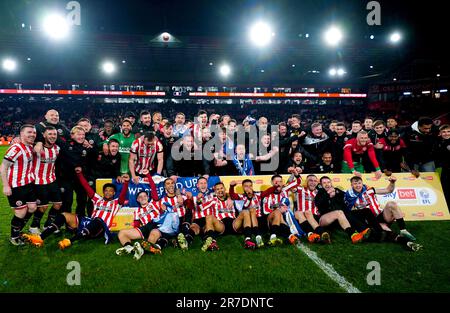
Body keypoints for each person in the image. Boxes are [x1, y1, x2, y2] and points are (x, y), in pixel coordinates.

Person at [24, 167, 129, 249]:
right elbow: (86, 187)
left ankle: (70, 241)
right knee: (64, 215)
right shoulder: (98, 199)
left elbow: (123, 195)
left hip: (100, 229)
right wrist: (79, 174)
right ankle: (40, 238)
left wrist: (126, 183)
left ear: (114, 193)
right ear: (103, 192)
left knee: (98, 220)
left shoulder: (116, 203)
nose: (108, 192)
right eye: (106, 190)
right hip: (88, 223)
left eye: (110, 191)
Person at [344, 176, 422, 251]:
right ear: (351, 185)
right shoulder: (350, 196)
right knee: (386, 231)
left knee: (391, 204)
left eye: (359, 183)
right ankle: (406, 242)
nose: (358, 185)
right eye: (355, 183)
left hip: (381, 216)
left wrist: (392, 182)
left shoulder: (370, 190)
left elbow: (389, 190)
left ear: (362, 183)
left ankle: (403, 230)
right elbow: (352, 214)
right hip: (371, 222)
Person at [1, 124, 38, 245]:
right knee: (21, 213)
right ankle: (14, 237)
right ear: (21, 134)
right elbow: (3, 167)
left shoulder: (29, 146)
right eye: (29, 132)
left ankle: (19, 230)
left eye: (33, 132)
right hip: (16, 186)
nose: (32, 134)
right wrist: (5, 185)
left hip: (28, 184)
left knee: (32, 208)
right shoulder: (15, 148)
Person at [115, 174, 160, 259]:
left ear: (148, 197)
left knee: (151, 238)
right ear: (137, 200)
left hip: (156, 226)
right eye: (140, 197)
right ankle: (129, 248)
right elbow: (136, 224)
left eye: (144, 196)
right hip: (145, 229)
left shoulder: (154, 203)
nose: (143, 198)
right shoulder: (137, 211)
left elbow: (153, 187)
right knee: (122, 233)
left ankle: (142, 249)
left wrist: (148, 175)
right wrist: (135, 231)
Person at [314, 176, 370, 244]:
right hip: (325, 219)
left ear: (331, 183)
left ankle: (365, 230)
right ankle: (353, 234)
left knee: (363, 211)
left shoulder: (336, 190)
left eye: (328, 182)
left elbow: (345, 196)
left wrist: (336, 193)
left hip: (340, 218)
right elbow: (318, 204)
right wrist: (327, 195)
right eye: (324, 183)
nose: (327, 184)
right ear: (321, 185)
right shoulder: (320, 193)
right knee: (339, 212)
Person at [58, 126, 97, 216]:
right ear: (72, 136)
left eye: (83, 135)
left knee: (82, 200)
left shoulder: (86, 147)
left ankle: (80, 220)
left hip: (80, 178)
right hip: (67, 178)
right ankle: (65, 222)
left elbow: (94, 158)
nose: (81, 137)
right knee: (67, 201)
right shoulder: (66, 145)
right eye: (78, 134)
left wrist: (90, 146)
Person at [30, 126, 62, 234]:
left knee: (58, 204)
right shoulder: (37, 147)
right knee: (43, 207)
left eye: (54, 134)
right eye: (50, 134)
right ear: (44, 135)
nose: (52, 136)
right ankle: (34, 226)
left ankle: (48, 224)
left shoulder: (57, 149)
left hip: (52, 180)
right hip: (39, 181)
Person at [261, 172, 301, 246]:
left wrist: (296, 174)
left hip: (283, 219)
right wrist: (278, 209)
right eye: (276, 182)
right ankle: (273, 237)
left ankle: (289, 236)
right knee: (277, 213)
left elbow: (298, 182)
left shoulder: (285, 190)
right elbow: (265, 211)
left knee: (280, 215)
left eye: (280, 181)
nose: (278, 183)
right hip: (270, 220)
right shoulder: (268, 194)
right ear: (272, 183)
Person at [229, 179, 268, 248]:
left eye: (250, 186)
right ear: (243, 187)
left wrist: (276, 186)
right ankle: (256, 236)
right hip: (245, 221)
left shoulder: (258, 194)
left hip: (257, 220)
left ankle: (251, 238)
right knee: (248, 210)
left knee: (252, 210)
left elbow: (268, 192)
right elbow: (232, 195)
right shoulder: (240, 196)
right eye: (246, 186)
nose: (249, 188)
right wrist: (231, 187)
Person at [293, 174, 330, 243]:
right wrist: (295, 174)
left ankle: (311, 234)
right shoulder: (300, 189)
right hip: (301, 217)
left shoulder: (319, 191)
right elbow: (290, 186)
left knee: (308, 212)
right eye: (310, 180)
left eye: (315, 181)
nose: (313, 182)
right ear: (306, 182)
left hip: (314, 217)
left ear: (317, 183)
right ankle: (321, 233)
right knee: (298, 212)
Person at [434, 124, 450, 206]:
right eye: (444, 132)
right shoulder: (438, 142)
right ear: (440, 133)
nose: (446, 133)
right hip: (444, 168)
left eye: (448, 131)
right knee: (444, 187)